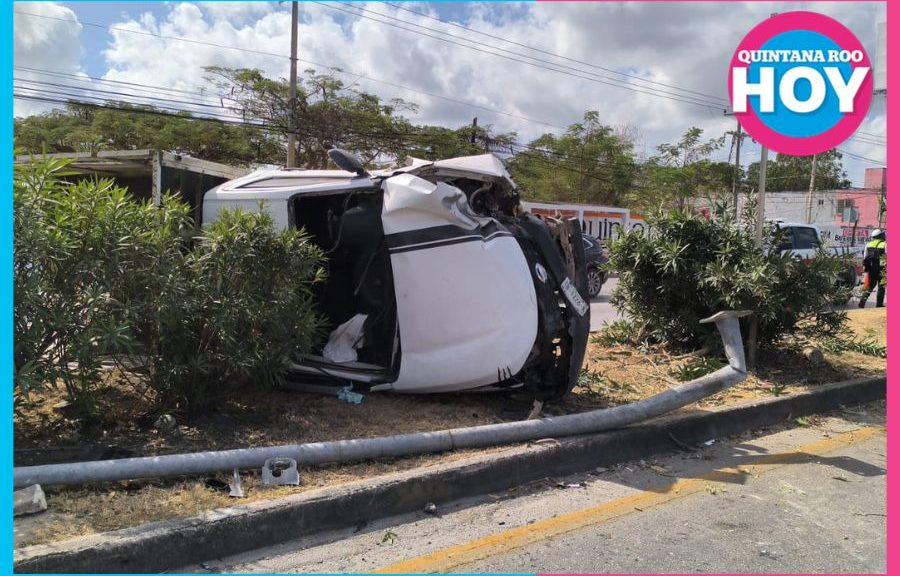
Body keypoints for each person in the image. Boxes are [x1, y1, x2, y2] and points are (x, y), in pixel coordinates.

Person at [859, 228, 886, 308]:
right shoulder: (885, 244)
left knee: (869, 286)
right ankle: (879, 304)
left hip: (871, 268)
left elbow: (865, 257)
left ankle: (862, 302)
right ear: (880, 236)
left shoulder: (868, 244)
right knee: (881, 287)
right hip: (882, 268)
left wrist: (866, 267)